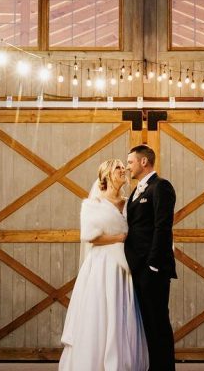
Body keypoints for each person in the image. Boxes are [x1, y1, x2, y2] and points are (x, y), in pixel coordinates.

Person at [59, 159, 149, 371]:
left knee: (122, 313)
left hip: (124, 268)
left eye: (123, 167)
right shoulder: (93, 204)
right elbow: (91, 237)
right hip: (102, 266)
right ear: (106, 174)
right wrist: (119, 238)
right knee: (100, 314)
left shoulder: (130, 202)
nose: (124, 170)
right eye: (118, 167)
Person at [125, 144, 176, 371]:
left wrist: (153, 266)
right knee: (146, 323)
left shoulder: (161, 187)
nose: (128, 167)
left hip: (152, 269)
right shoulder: (135, 193)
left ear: (143, 162)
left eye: (130, 162)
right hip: (136, 268)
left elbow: (162, 227)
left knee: (158, 323)